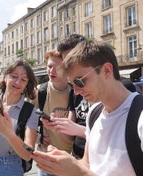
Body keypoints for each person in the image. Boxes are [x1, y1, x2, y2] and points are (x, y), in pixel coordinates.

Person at [31, 40, 143, 175]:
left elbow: (84, 171)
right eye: (72, 84)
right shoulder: (94, 114)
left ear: (107, 70)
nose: (77, 91)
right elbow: (87, 163)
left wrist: (77, 171)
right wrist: (65, 163)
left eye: (80, 81)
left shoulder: (139, 116)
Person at [30, 50, 74, 176]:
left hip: (71, 159)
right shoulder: (40, 92)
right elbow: (24, 119)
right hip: (46, 158)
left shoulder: (76, 92)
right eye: (49, 66)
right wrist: (38, 137)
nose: (51, 71)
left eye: (57, 67)